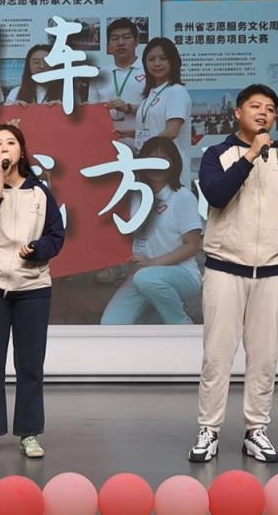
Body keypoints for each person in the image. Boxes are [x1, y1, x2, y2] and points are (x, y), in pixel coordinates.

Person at [189, 84, 278, 464]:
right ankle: (209, 430)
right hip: (225, 269)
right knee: (217, 356)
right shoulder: (217, 155)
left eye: (270, 109)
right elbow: (217, 195)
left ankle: (256, 430)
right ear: (237, 113)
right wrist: (250, 155)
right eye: (255, 106)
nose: (263, 113)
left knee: (264, 358)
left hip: (272, 272)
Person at [0, 124, 65, 459]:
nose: (4, 148)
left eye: (11, 143)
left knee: (30, 365)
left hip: (33, 287)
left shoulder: (40, 193)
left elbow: (56, 236)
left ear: (22, 150)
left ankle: (29, 433)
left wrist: (37, 249)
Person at [100, 137, 203, 325]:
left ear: (174, 163)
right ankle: (156, 312)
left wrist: (153, 263)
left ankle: (181, 324)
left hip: (181, 274)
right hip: (142, 276)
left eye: (163, 160)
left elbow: (193, 245)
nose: (156, 165)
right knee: (111, 324)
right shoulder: (133, 197)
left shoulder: (182, 197)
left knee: (147, 279)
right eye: (151, 159)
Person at [120, 37, 193, 183]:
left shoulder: (176, 91)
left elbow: (172, 132)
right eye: (151, 59)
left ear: (173, 61)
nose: (157, 63)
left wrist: (146, 149)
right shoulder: (151, 94)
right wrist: (133, 134)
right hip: (150, 167)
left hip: (169, 168)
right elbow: (155, 129)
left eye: (163, 58)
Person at [87, 18, 146, 151]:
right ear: (108, 45)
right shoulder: (99, 75)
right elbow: (92, 112)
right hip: (106, 147)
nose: (120, 43)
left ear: (137, 41)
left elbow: (157, 110)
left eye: (126, 37)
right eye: (115, 38)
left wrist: (128, 108)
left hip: (143, 147)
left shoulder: (149, 71)